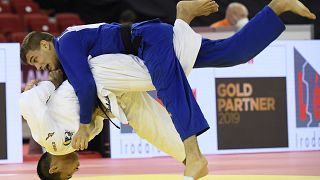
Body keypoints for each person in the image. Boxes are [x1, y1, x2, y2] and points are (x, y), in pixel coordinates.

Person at [20, 0, 316, 178]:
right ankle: (276, 10)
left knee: (167, 82)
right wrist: (45, 85)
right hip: (146, 48)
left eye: (37, 59)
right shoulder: (67, 63)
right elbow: (75, 87)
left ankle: (183, 18)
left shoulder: (67, 42)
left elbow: (85, 85)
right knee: (232, 54)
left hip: (146, 41)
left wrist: (82, 122)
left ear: (46, 44)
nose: (40, 65)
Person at [20, 19, 206, 179]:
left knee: (164, 73)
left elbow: (27, 102)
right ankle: (190, 158)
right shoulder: (70, 142)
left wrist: (49, 84)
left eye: (69, 175)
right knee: (146, 124)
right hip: (108, 95)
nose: (75, 171)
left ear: (54, 168)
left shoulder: (46, 138)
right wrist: (94, 114)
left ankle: (182, 21)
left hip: (98, 77)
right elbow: (94, 115)